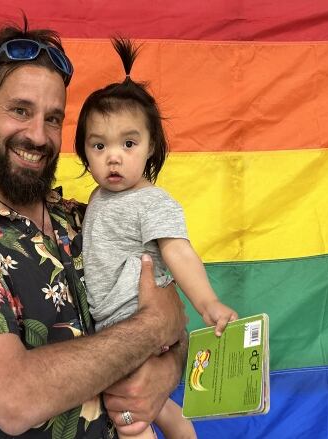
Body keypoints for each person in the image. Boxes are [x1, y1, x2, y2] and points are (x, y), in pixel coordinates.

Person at [0, 19, 188, 438]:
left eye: (53, 118)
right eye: (20, 110)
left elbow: (176, 321)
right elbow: (16, 399)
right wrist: (149, 330)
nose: (38, 135)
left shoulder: (89, 218)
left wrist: (163, 373)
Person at [74, 39, 239, 439]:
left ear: (151, 149)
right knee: (158, 404)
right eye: (99, 146)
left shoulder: (152, 202)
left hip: (134, 322)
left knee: (129, 418)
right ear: (84, 152)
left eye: (128, 144)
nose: (114, 157)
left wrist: (207, 302)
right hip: (115, 325)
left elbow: (178, 251)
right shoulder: (96, 197)